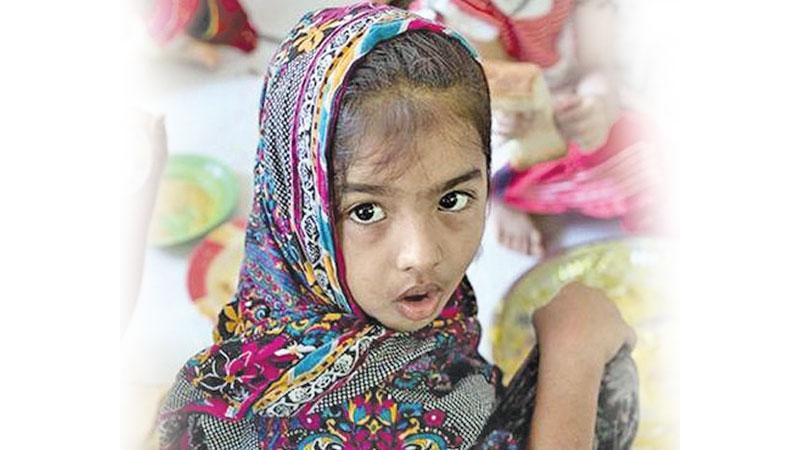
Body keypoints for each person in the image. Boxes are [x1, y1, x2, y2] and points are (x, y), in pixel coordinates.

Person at [157, 3, 638, 449]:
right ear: (298, 212)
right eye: (367, 211)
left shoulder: (322, 312)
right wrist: (572, 356)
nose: (421, 254)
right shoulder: (250, 422)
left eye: (453, 199)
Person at [405, 0, 663, 256]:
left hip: (563, 88)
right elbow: (491, 87)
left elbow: (597, 66)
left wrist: (596, 102)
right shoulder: (466, 8)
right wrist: (504, 119)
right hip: (481, 107)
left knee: (648, 151)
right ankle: (492, 196)